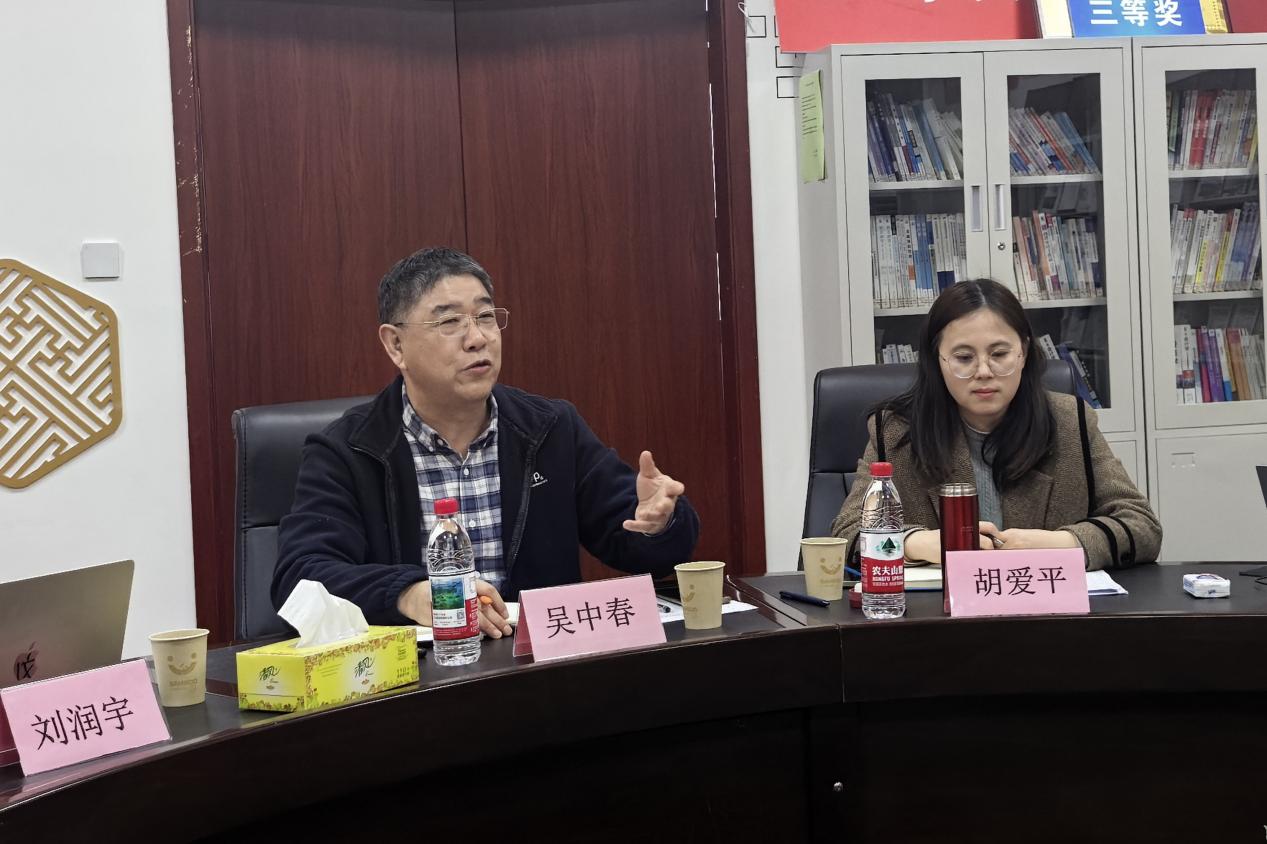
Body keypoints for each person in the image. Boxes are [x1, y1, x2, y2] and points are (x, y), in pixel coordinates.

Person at [273, 247, 700, 637]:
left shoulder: (550, 429)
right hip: (417, 678)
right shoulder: (347, 450)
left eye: (485, 316)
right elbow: (301, 578)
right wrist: (408, 594)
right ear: (396, 344)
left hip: (540, 671)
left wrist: (659, 523)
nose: (477, 338)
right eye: (449, 322)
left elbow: (639, 543)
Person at [832, 279, 1161, 570]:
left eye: (999, 354)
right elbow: (847, 536)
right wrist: (917, 544)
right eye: (964, 358)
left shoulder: (1069, 421)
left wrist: (1061, 543)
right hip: (936, 615)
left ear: (1023, 353)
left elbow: (1141, 526)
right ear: (937, 360)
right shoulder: (896, 431)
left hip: (1047, 611)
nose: (984, 372)